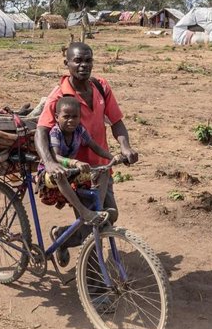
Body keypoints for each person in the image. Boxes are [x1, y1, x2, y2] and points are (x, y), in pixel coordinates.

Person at [36, 42, 138, 263]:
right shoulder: (59, 97)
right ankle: (95, 287)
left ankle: (62, 238)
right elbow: (41, 131)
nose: (83, 65)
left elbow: (117, 122)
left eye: (88, 60)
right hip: (77, 173)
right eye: (78, 61)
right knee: (94, 225)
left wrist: (125, 147)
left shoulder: (101, 86)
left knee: (110, 215)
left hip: (101, 167)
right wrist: (50, 162)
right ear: (67, 64)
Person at [39, 96, 113, 227]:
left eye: (75, 117)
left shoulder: (79, 130)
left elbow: (94, 146)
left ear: (80, 117)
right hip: (51, 172)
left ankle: (98, 208)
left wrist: (111, 157)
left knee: (103, 171)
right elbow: (56, 157)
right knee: (60, 175)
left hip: (71, 171)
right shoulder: (55, 132)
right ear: (57, 117)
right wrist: (75, 163)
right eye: (66, 117)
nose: (71, 120)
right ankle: (84, 212)